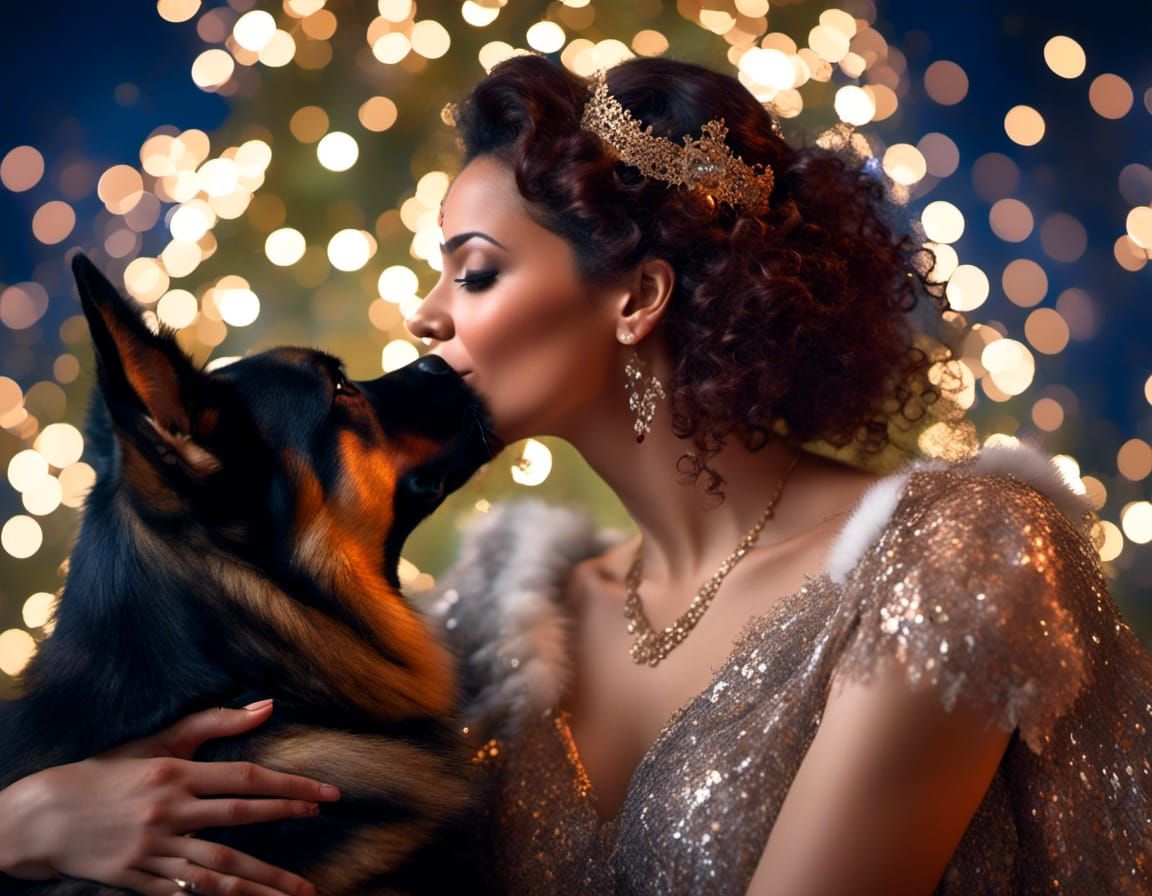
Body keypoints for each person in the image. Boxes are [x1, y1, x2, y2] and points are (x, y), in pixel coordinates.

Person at [2, 53, 1150, 896]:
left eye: (477, 270)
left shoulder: (949, 557)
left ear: (636, 298)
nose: (425, 313)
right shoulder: (502, 629)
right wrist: (38, 816)